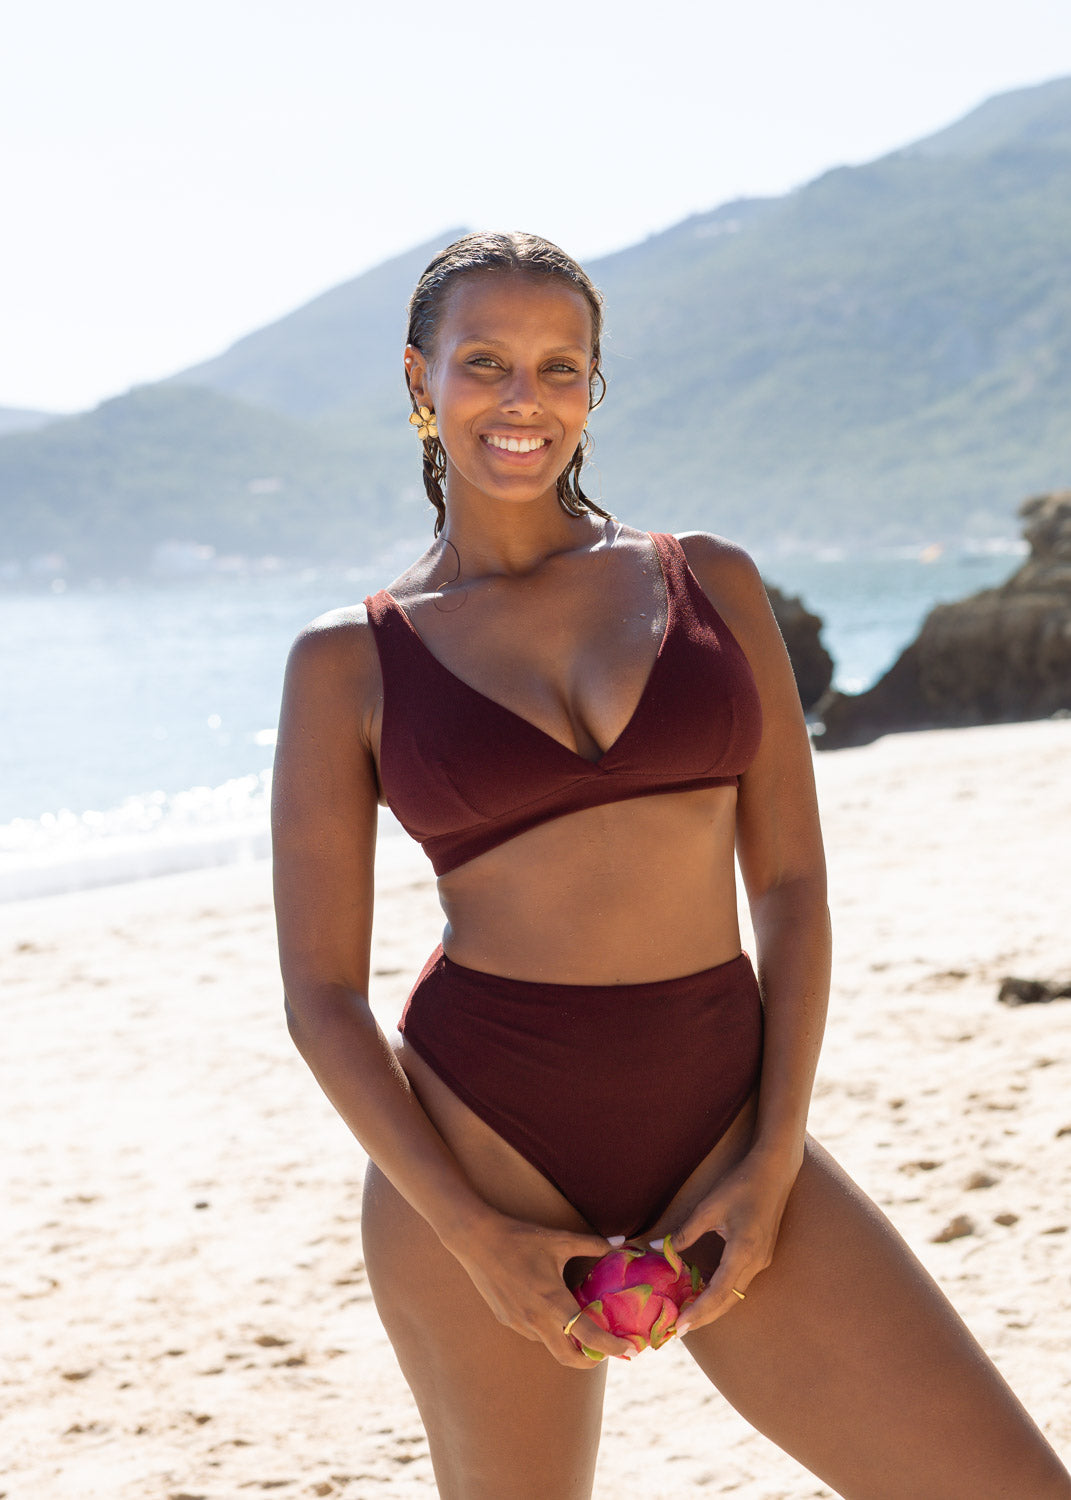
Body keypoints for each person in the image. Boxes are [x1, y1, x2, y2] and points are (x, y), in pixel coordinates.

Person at [271, 231, 1070, 1499]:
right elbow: (319, 993)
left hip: (724, 1120)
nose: (522, 398)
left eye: (559, 366)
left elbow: (793, 890)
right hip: (483, 1148)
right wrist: (473, 1237)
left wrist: (773, 1155)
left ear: (594, 386)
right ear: (420, 382)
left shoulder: (708, 584)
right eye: (485, 363)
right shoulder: (348, 661)